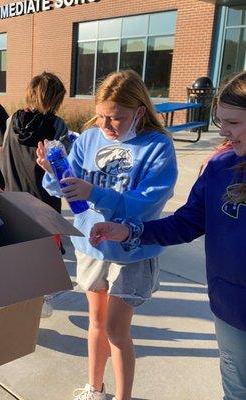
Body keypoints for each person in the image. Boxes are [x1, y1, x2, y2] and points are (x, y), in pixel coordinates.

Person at [89, 71, 246, 400]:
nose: (224, 133)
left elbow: (149, 197)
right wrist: (130, 230)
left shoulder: (157, 146)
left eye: (233, 122)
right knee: (236, 389)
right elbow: (187, 222)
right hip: (233, 307)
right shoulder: (220, 169)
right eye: (221, 122)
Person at [37, 70, 178, 400]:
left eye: (116, 118)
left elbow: (146, 205)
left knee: (116, 329)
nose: (105, 125)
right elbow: (72, 190)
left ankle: (122, 396)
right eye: (100, 116)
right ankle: (94, 387)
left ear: (140, 112)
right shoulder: (88, 138)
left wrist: (95, 192)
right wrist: (53, 174)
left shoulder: (158, 146)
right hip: (91, 246)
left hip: (131, 253)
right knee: (96, 323)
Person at [0, 72, 71, 317]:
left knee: (20, 252)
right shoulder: (57, 126)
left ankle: (22, 299)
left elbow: (3, 156)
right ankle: (38, 301)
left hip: (14, 196)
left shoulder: (12, 120)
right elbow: (63, 170)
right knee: (46, 256)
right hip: (44, 201)